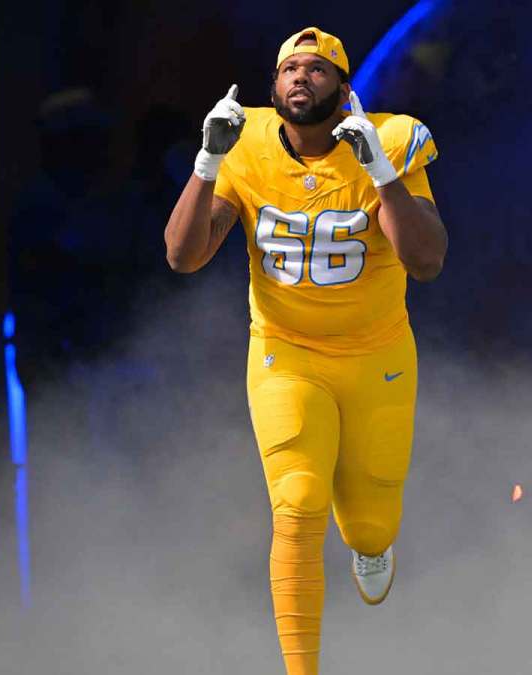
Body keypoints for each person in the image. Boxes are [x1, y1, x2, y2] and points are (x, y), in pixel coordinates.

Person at [164, 27, 447, 674]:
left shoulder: (390, 137)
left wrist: (381, 173)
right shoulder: (247, 144)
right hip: (286, 351)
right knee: (296, 500)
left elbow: (426, 262)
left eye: (317, 69)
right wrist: (207, 162)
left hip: (375, 353)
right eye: (290, 68)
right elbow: (183, 256)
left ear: (345, 89)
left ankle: (371, 545)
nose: (300, 76)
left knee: (371, 524)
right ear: (272, 86)